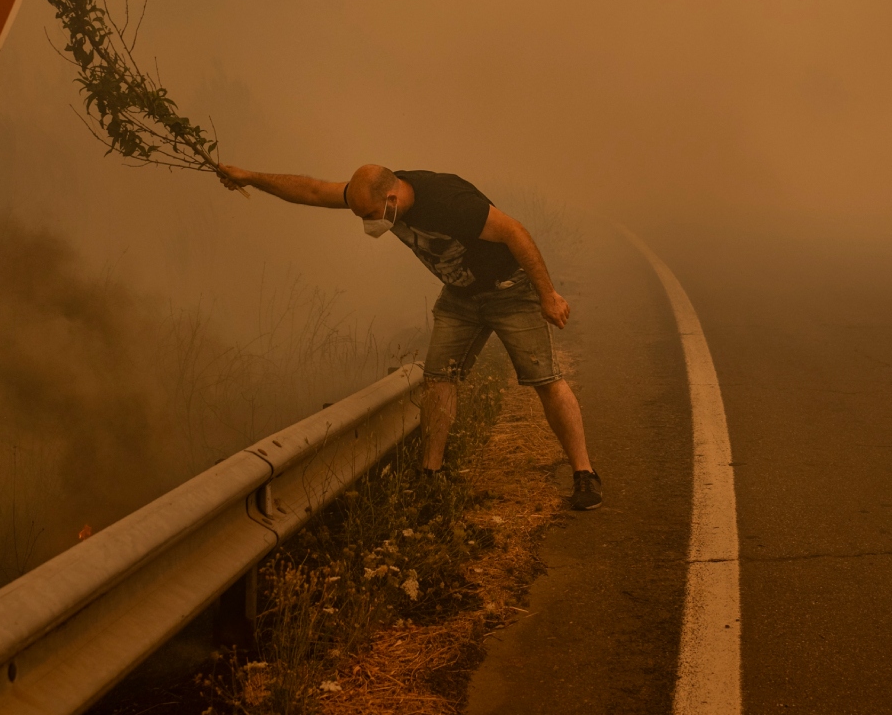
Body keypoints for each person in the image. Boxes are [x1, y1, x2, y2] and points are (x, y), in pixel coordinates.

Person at [215, 163, 602, 510]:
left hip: (509, 291)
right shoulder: (371, 190)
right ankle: (430, 476)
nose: (366, 223)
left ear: (393, 197)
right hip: (460, 297)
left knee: (545, 380)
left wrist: (548, 295)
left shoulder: (450, 203)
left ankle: (585, 475)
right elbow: (314, 191)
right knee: (438, 380)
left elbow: (516, 233)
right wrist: (249, 177)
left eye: (369, 215)